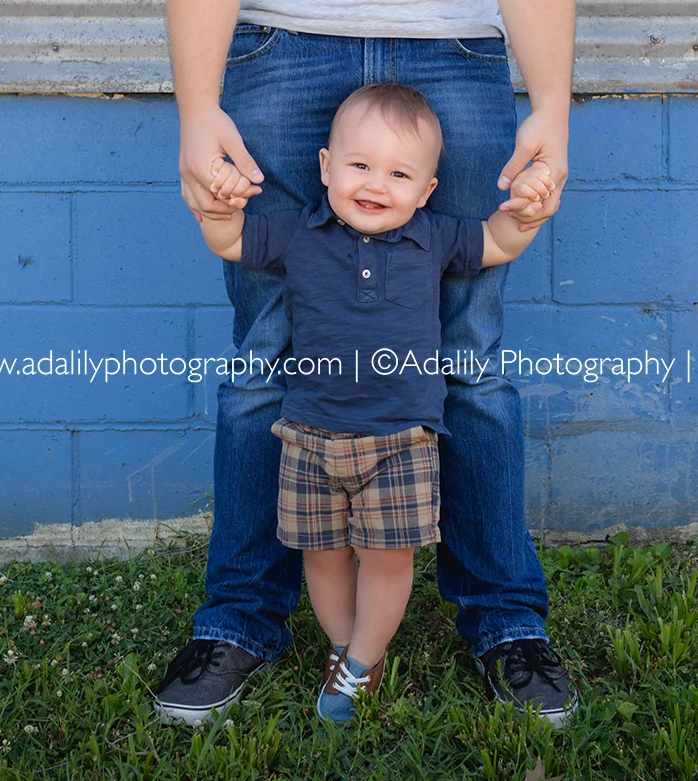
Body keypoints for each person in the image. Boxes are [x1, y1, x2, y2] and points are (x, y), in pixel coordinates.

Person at [155, 0, 577, 726]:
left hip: (455, 49)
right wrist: (197, 102)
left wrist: (552, 100)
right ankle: (241, 615)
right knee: (268, 357)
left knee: (467, 358)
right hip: (279, 44)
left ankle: (503, 617)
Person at [195, 82, 556, 723]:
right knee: (324, 556)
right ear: (326, 167)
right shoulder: (297, 233)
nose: (375, 184)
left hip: (401, 441)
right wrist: (219, 208)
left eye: (398, 173)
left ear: (427, 191)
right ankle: (345, 649)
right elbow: (232, 243)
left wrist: (524, 216)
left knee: (389, 561)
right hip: (309, 436)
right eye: (359, 165)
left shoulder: (435, 237)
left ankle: (363, 661)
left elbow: (496, 243)